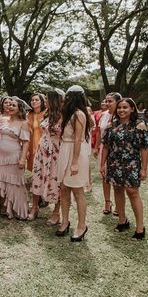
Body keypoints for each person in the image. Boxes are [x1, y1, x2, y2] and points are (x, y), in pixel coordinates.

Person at [100, 98, 148, 240]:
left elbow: (145, 148)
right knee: (117, 189)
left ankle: (140, 227)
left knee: (132, 192)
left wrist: (144, 169)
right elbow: (105, 146)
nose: (122, 110)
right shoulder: (111, 125)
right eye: (120, 108)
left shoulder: (140, 125)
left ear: (132, 109)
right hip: (114, 163)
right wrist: (102, 164)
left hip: (132, 163)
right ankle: (122, 220)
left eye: (125, 107)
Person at [57, 86, 91, 242]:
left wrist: (75, 162)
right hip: (65, 149)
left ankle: (82, 225)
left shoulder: (79, 115)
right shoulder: (66, 114)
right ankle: (65, 221)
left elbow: (78, 138)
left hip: (75, 152)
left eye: (68, 97)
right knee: (64, 189)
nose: (65, 99)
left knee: (77, 191)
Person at [0, 97, 31, 220]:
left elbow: (26, 142)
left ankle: (18, 210)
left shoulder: (23, 123)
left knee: (15, 183)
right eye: (9, 105)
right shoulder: (2, 120)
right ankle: (0, 207)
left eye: (14, 105)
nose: (10, 107)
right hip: (0, 157)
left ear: (19, 109)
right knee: (0, 181)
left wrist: (23, 159)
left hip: (14, 157)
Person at [28, 89, 64, 224]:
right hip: (42, 151)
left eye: (47, 99)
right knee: (36, 178)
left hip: (55, 152)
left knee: (55, 181)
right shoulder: (47, 114)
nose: (45, 102)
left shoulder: (63, 115)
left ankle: (56, 212)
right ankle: (35, 207)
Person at [94, 92, 121, 215]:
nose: (107, 103)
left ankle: (118, 204)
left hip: (117, 150)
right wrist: (96, 147)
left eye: (110, 101)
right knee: (104, 176)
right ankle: (107, 202)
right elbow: (99, 132)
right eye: (106, 101)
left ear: (117, 102)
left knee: (117, 178)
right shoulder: (103, 115)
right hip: (103, 148)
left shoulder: (121, 116)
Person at [27, 93, 45, 172]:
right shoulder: (28, 115)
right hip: (31, 144)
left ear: (41, 102)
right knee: (33, 169)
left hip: (43, 143)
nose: (34, 101)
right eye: (32, 100)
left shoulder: (46, 114)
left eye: (36, 100)